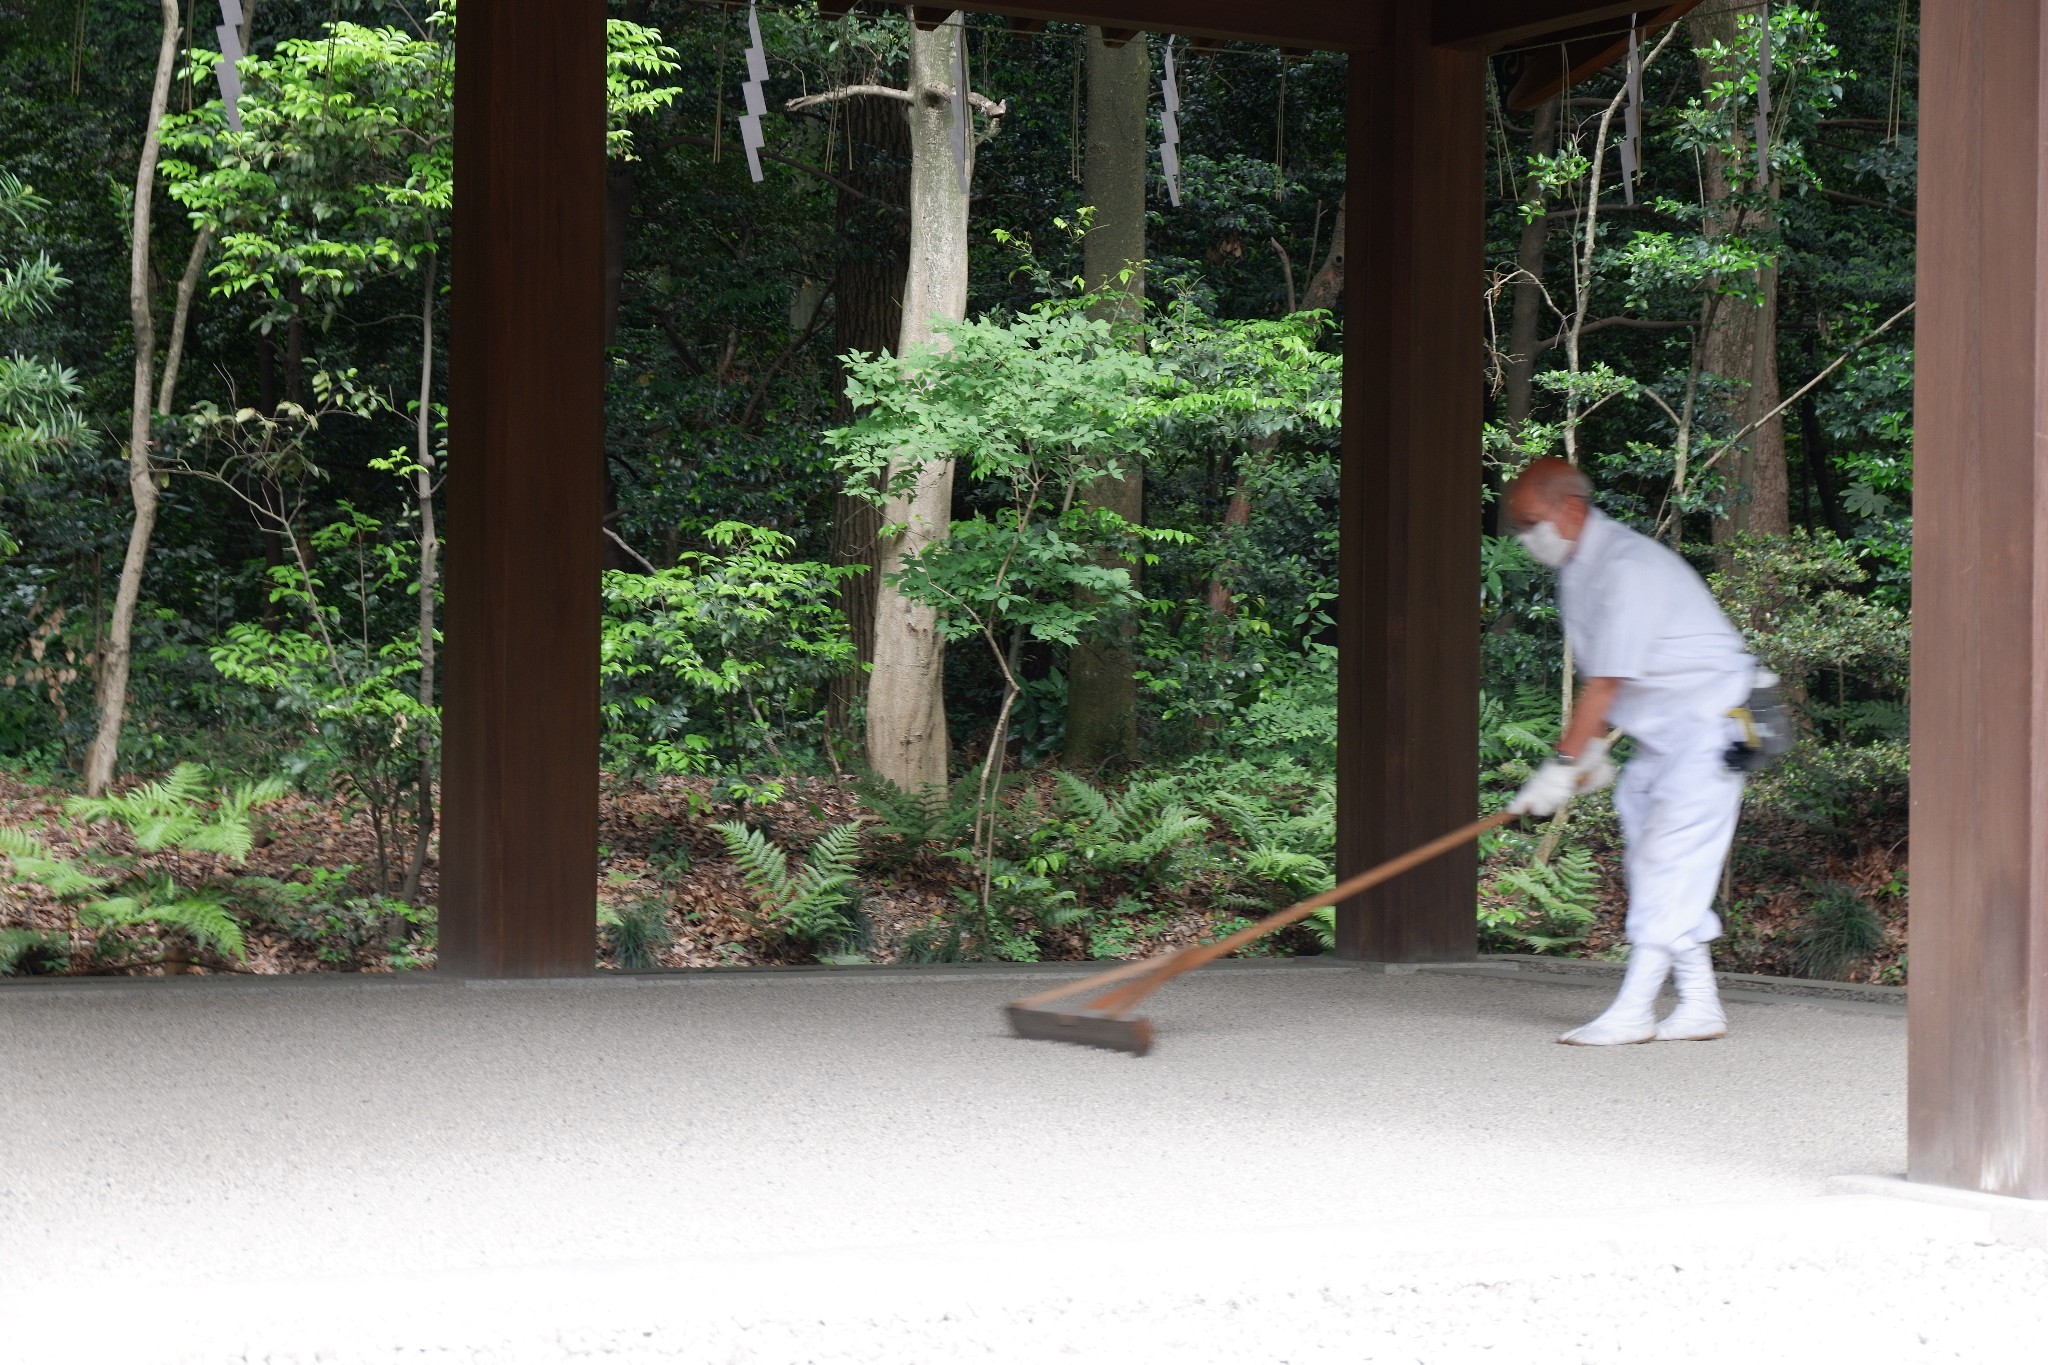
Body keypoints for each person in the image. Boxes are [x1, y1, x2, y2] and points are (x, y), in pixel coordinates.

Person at [1503, 458, 1756, 1046]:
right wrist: (1587, 751)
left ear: (1569, 508)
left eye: (1530, 521)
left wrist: (1563, 765)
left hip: (1714, 728)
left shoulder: (1627, 566)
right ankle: (1699, 1005)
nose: (1525, 537)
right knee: (1651, 857)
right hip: (1663, 736)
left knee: (1671, 859)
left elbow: (1607, 683)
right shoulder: (1577, 571)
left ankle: (1635, 1007)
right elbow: (1609, 679)